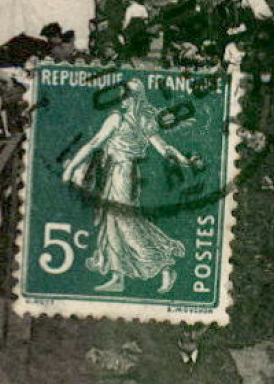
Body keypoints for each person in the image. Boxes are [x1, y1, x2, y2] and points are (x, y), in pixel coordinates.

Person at [60, 78, 196, 294]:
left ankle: (164, 264)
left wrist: (70, 168)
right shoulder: (143, 119)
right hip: (119, 172)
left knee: (125, 223)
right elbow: (164, 148)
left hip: (121, 173)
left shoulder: (120, 118)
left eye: (125, 95)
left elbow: (95, 143)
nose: (120, 98)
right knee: (112, 222)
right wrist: (184, 160)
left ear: (135, 98)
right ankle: (118, 276)